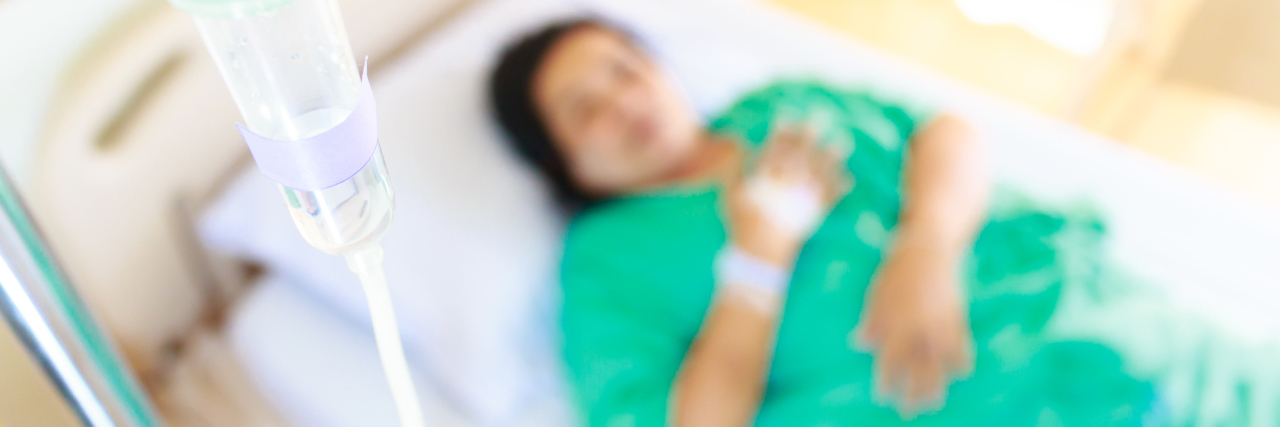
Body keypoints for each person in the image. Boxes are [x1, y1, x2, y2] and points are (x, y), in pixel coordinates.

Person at [488, 19, 1267, 427]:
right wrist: (757, 262)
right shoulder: (604, 262)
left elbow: (946, 133)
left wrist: (927, 245)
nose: (624, 103)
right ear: (562, 161)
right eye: (584, 108)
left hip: (1088, 319)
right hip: (964, 399)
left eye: (625, 69)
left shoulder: (780, 105)